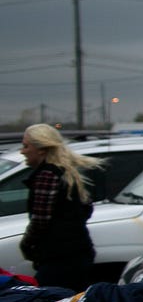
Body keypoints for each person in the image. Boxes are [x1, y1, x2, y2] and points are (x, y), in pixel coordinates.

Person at [18, 123, 103, 291]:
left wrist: (26, 244)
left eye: (26, 146)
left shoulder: (46, 175)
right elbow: (86, 209)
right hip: (78, 252)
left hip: (58, 257)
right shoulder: (67, 172)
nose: (22, 151)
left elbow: (40, 220)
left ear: (42, 149)